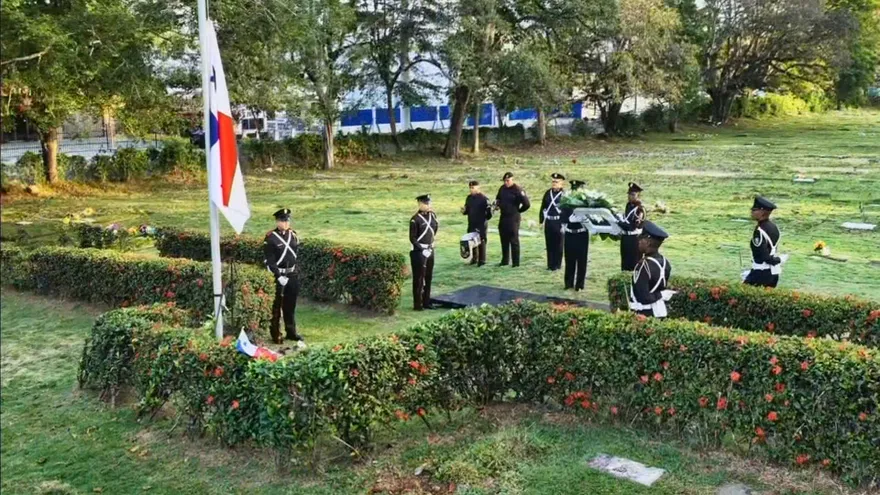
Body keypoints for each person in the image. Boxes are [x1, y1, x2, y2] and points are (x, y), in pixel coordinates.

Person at [263, 208, 304, 346]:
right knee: (276, 307)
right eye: (282, 220)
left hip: (291, 274)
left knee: (290, 305)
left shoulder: (293, 235)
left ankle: (291, 332)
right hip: (278, 275)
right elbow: (269, 260)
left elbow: (295, 254)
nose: (285, 223)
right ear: (277, 221)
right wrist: (278, 275)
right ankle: (276, 333)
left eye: (287, 220)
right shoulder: (271, 238)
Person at [628, 221, 674, 318]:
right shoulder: (665, 263)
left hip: (643, 315)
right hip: (660, 312)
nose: (638, 242)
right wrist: (661, 294)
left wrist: (660, 295)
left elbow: (643, 297)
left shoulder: (643, 266)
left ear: (648, 242)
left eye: (641, 239)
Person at [743, 196, 783, 288]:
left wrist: (779, 260)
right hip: (773, 273)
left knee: (740, 294)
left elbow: (764, 257)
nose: (751, 212)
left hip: (760, 274)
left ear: (762, 212)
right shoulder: (773, 227)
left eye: (754, 210)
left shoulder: (759, 231)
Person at [494, 171, 530, 267]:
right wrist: (497, 205)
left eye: (508, 180)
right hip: (503, 216)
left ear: (512, 179)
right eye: (505, 181)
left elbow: (527, 204)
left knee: (514, 240)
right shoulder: (502, 188)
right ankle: (505, 260)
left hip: (513, 217)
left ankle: (515, 262)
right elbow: (498, 199)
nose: (506, 182)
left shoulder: (517, 190)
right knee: (504, 239)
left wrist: (519, 211)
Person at [410, 194, 439, 310]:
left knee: (428, 276)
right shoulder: (415, 219)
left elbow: (435, 229)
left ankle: (427, 301)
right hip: (419, 251)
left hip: (430, 249)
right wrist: (421, 249)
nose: (428, 205)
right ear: (420, 204)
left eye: (429, 203)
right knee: (419, 278)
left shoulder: (433, 215)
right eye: (426, 203)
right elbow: (412, 238)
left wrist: (430, 244)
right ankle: (418, 304)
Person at [561, 180, 590, 291]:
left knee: (581, 260)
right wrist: (568, 219)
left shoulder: (585, 202)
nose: (574, 192)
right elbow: (562, 216)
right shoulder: (566, 201)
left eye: (576, 189)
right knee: (569, 259)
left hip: (581, 233)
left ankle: (579, 284)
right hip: (570, 233)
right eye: (573, 189)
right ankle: (568, 283)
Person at [461, 180, 492, 266]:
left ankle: (482, 260)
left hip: (481, 223)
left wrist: (485, 219)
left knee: (481, 240)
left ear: (478, 187)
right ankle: (474, 258)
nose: (471, 189)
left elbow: (489, 214)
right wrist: (464, 211)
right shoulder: (469, 198)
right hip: (471, 222)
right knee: (472, 240)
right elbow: (467, 210)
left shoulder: (484, 199)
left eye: (473, 187)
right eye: (470, 188)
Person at [539, 173, 566, 271]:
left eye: (556, 182)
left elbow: (566, 210)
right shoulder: (547, 193)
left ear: (561, 183)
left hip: (558, 222)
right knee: (549, 243)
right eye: (553, 181)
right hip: (549, 221)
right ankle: (550, 264)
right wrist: (541, 220)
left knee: (558, 244)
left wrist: (565, 223)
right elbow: (543, 206)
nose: (554, 183)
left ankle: (557, 265)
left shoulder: (564, 195)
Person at [618, 182, 646, 271]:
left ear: (638, 195)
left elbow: (633, 226)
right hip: (625, 237)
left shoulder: (640, 209)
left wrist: (618, 223)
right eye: (629, 194)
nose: (630, 197)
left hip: (634, 238)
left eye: (633, 194)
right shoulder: (629, 205)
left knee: (633, 263)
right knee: (624, 262)